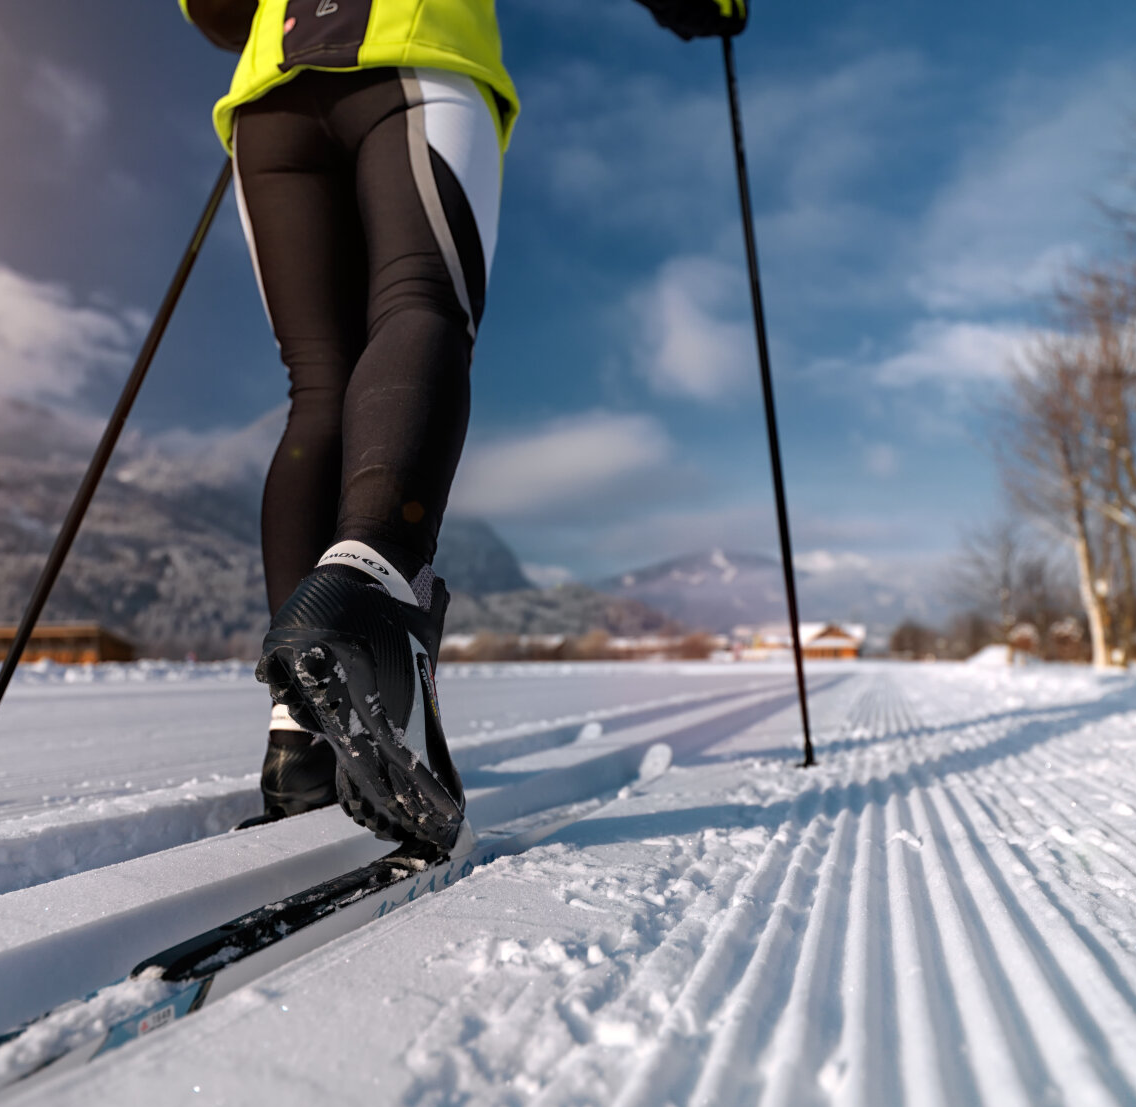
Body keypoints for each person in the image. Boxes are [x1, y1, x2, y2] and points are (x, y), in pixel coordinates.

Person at [178, 0, 745, 850]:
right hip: (415, 53)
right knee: (420, 302)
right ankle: (374, 613)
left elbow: (215, 12)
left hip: (272, 103)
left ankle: (300, 733)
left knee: (319, 387)